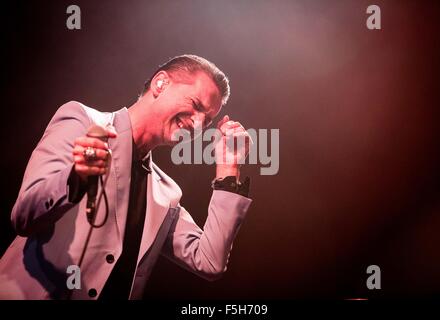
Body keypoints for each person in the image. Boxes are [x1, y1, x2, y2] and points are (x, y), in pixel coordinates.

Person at [0, 54, 253, 300]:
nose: (198, 124)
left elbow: (209, 262)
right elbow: (23, 217)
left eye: (207, 120)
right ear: (160, 83)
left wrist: (229, 168)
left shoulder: (165, 193)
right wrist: (75, 177)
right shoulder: (83, 122)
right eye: (196, 106)